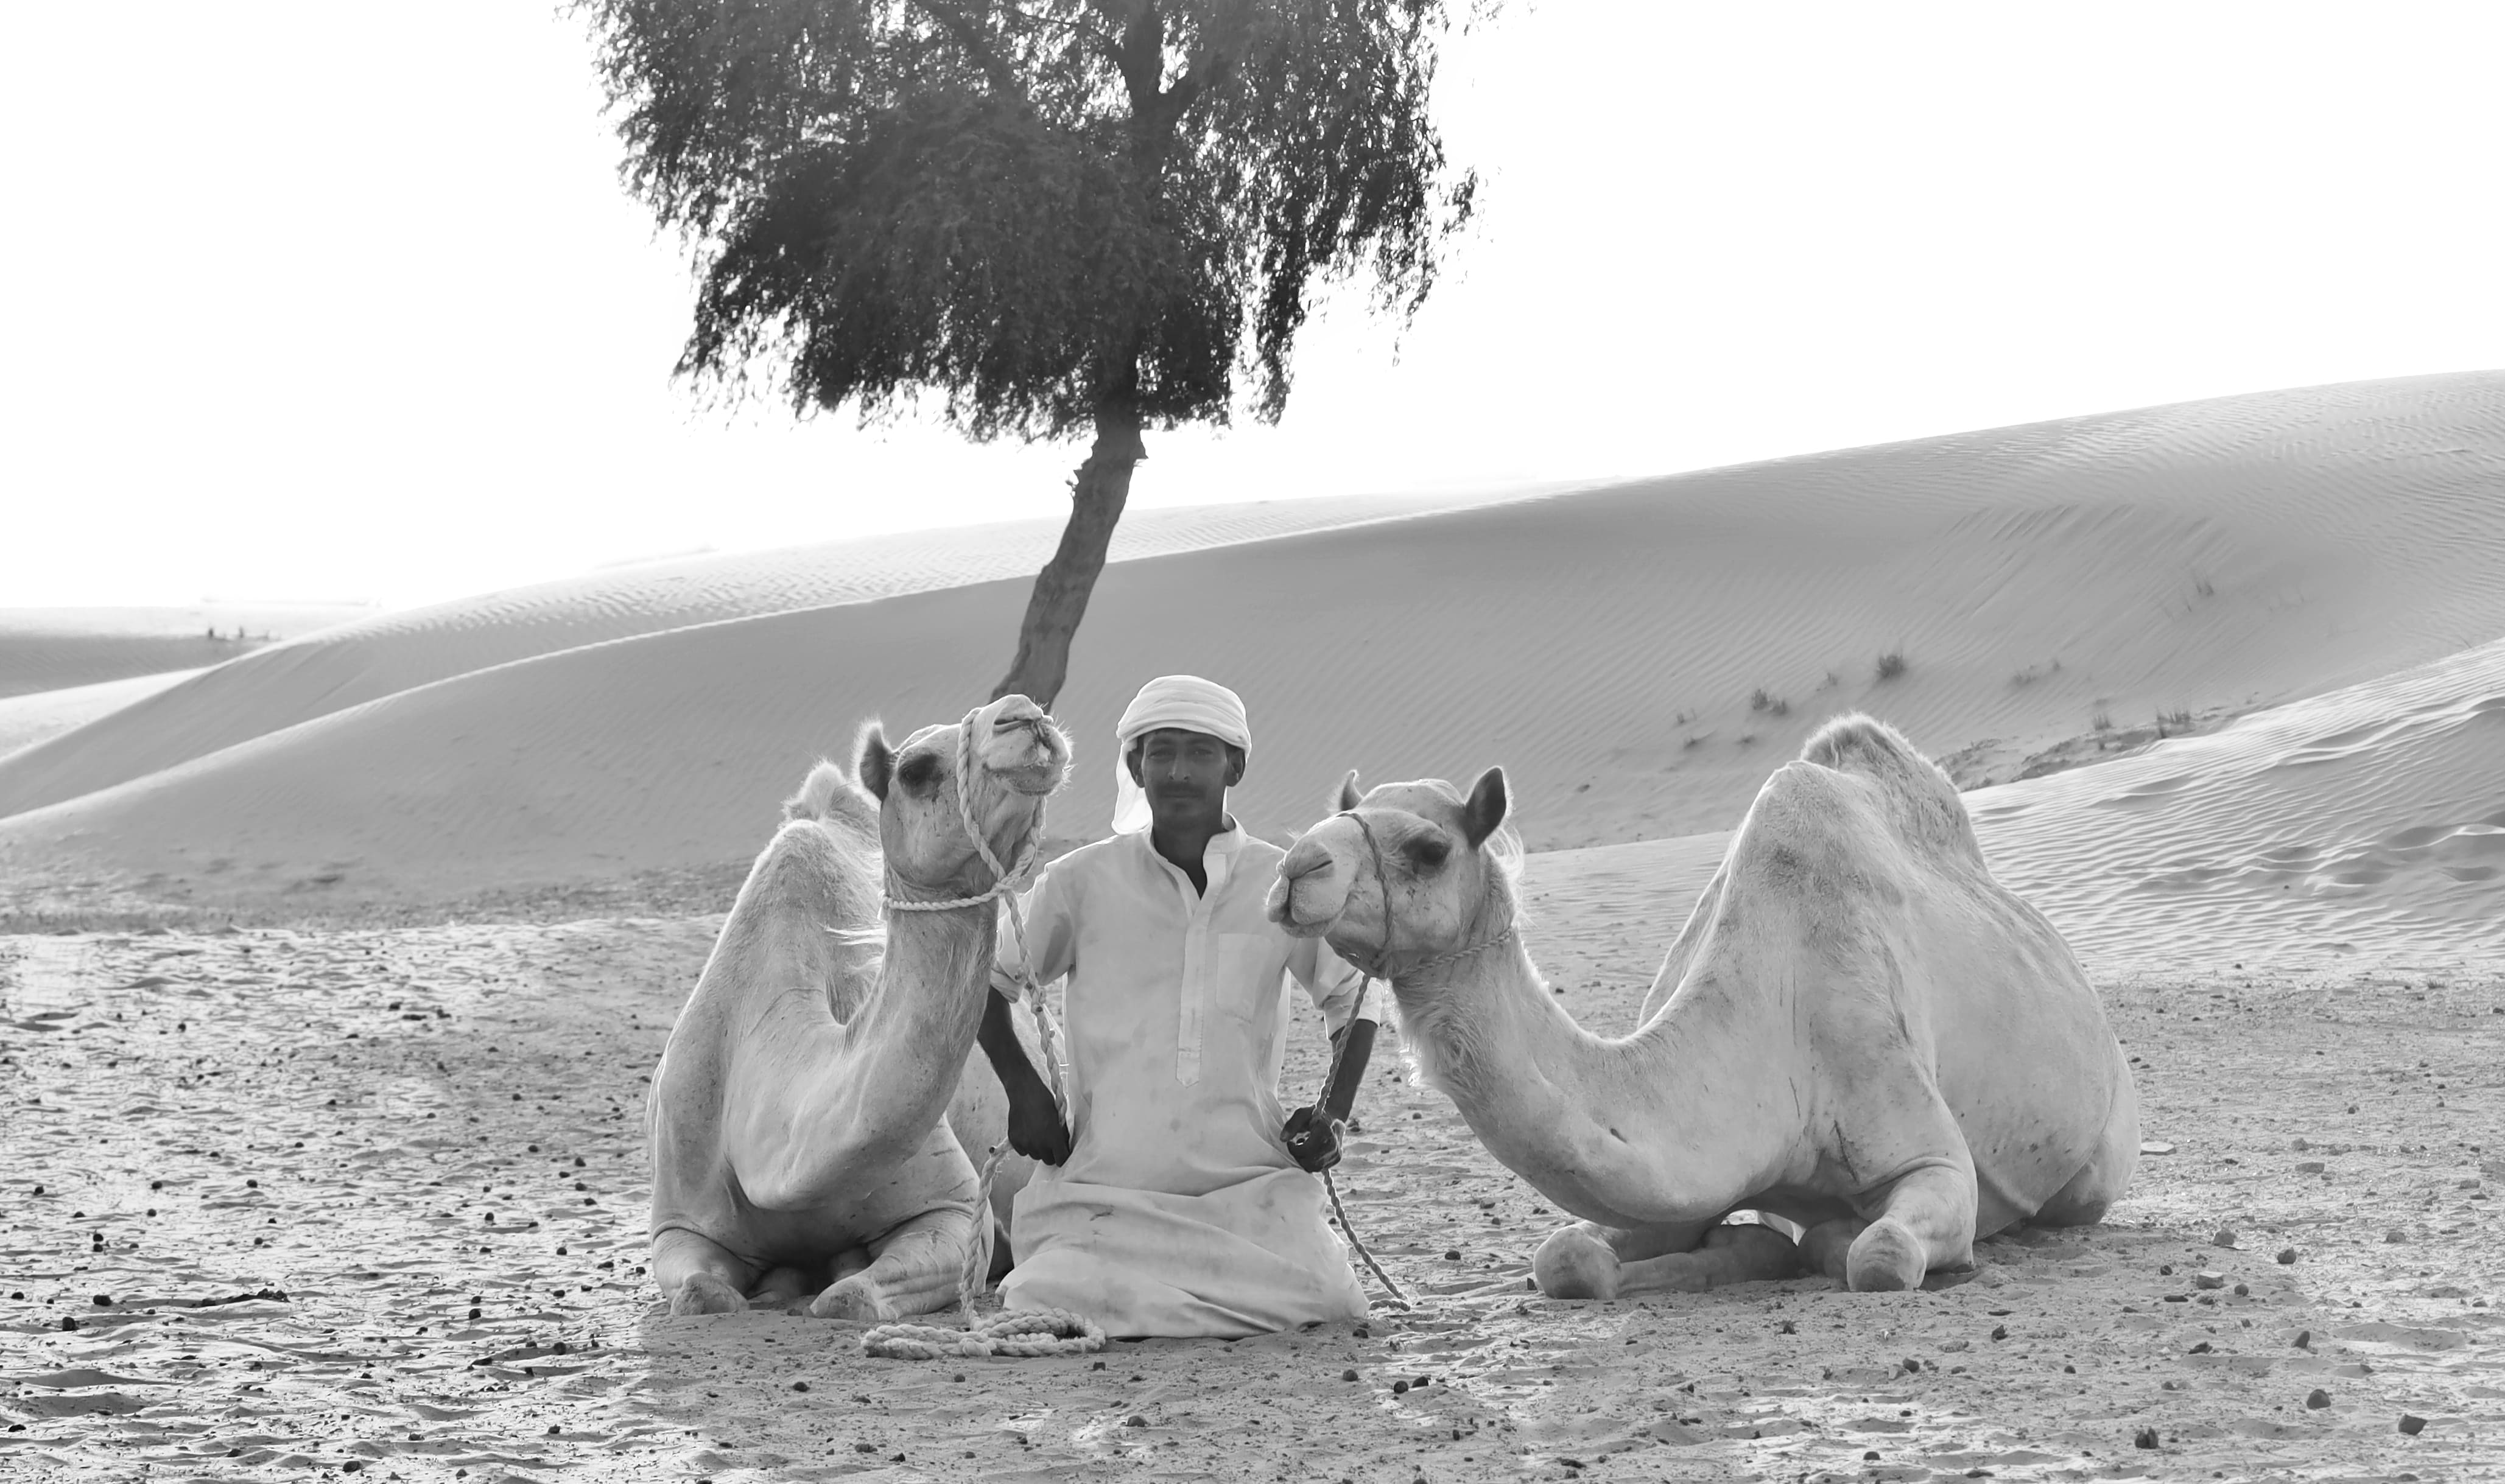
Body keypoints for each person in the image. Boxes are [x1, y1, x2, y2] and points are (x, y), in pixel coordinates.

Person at [975, 674, 1375, 1337]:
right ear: (1135, 765)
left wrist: (1332, 1113)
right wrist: (1025, 1090)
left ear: (1235, 765)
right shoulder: (1079, 882)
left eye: (1200, 752)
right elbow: (988, 981)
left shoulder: (1283, 883)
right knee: (1045, 1295)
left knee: (1331, 1297)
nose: (1179, 772)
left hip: (1247, 1186)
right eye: (1160, 752)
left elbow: (1354, 999)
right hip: (1105, 1188)